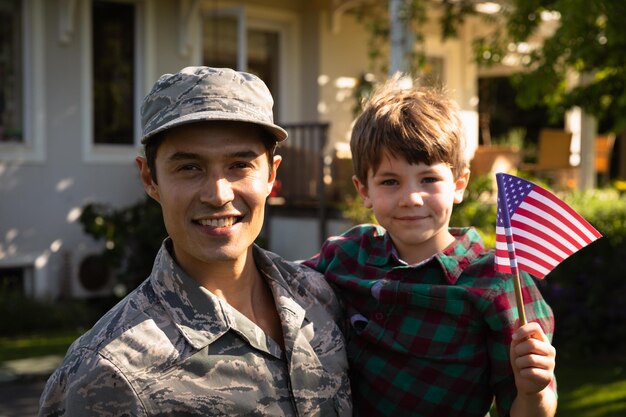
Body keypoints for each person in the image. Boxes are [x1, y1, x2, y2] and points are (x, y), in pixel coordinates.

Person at [39, 66, 351, 416]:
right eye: (190, 167)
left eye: (239, 165)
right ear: (150, 178)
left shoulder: (320, 300)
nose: (218, 194)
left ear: (271, 174)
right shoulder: (109, 372)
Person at [304, 75, 557, 417]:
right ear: (364, 190)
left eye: (429, 179)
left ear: (459, 184)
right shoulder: (347, 255)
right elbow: (270, 286)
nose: (412, 198)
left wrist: (535, 390)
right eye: (390, 181)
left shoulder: (499, 283)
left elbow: (529, 411)